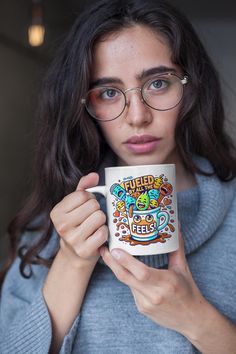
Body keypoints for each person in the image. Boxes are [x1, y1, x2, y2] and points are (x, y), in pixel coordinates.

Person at [1, 0, 236, 353]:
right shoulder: (50, 227)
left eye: (158, 83)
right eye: (109, 93)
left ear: (190, 87)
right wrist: (72, 262)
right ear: (85, 105)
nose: (137, 116)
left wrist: (197, 319)